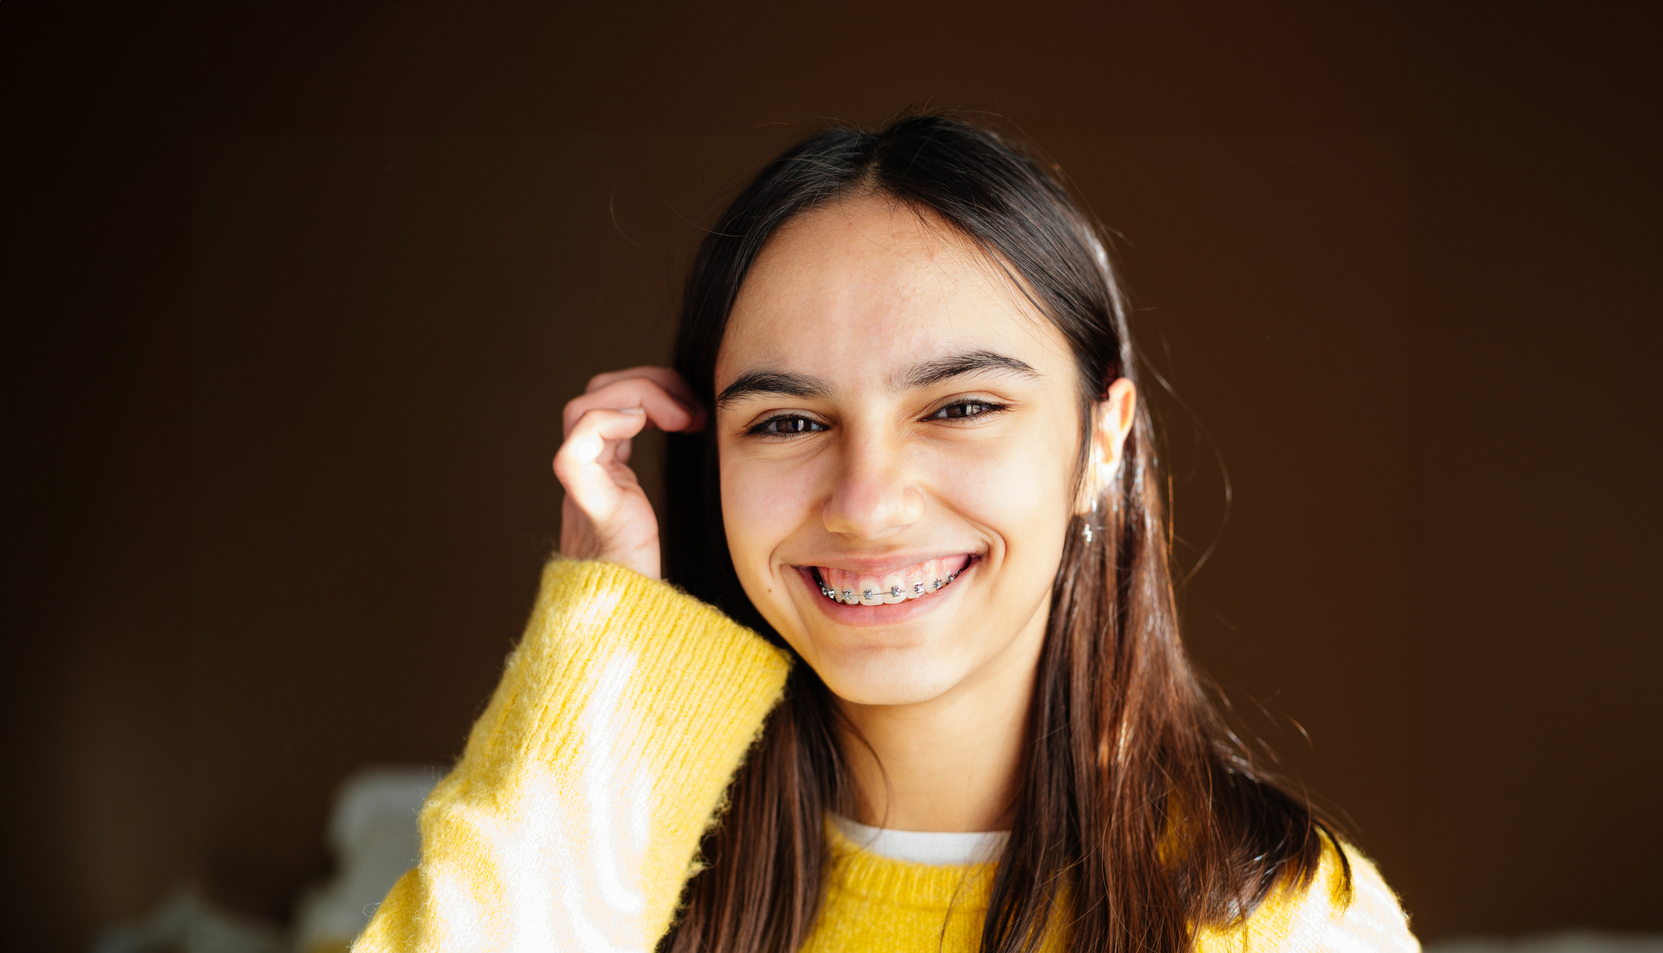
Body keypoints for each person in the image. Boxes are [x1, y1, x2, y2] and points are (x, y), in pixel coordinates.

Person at [352, 114, 1419, 953]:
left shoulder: (1278, 923)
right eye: (786, 421)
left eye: (958, 406)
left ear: (1104, 441)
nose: (865, 500)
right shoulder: (610, 878)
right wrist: (597, 655)